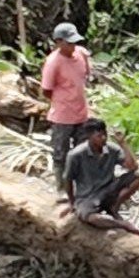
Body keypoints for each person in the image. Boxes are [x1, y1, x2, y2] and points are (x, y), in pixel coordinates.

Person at [61, 119, 139, 235]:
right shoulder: (75, 155)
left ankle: (113, 207)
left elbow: (132, 167)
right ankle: (122, 224)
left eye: (105, 134)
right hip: (88, 196)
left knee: (136, 177)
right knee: (91, 218)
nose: (104, 138)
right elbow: (68, 179)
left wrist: (123, 143)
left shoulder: (112, 149)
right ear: (89, 136)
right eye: (99, 136)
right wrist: (72, 202)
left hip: (109, 189)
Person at [41, 22, 93, 181]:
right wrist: (62, 101)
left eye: (74, 43)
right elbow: (46, 90)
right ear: (58, 42)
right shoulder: (53, 62)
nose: (72, 47)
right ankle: (62, 187)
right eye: (69, 43)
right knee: (60, 155)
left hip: (81, 114)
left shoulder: (81, 54)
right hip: (62, 117)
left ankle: (82, 184)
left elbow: (86, 75)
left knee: (82, 151)